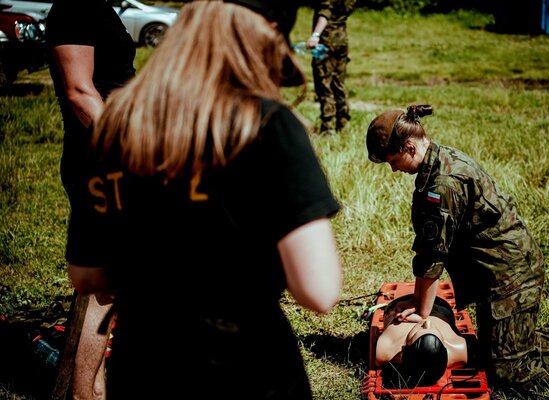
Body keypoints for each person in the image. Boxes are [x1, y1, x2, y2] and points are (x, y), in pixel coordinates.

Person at [63, 1, 342, 399]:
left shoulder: (117, 124)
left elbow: (87, 276)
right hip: (246, 371)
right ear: (265, 34)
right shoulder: (267, 124)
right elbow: (319, 289)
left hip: (142, 365)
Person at [365, 104, 549, 391]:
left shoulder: (442, 184)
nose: (392, 169)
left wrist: (422, 312)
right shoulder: (442, 159)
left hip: (509, 276)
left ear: (409, 147)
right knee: (498, 349)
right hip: (503, 268)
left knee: (509, 371)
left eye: (392, 160)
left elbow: (432, 256)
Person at [46, 0, 136, 398]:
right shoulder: (75, 8)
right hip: (100, 162)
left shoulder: (96, 6)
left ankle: (93, 386)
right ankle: (85, 393)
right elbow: (80, 93)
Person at [375, 294, 478, 386]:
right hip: (439, 307)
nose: (427, 322)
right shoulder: (459, 348)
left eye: (420, 329)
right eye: (434, 330)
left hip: (400, 307)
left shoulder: (385, 347)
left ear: (403, 348)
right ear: (445, 347)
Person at [305, 0, 356, 135]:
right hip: (341, 39)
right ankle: (343, 123)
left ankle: (328, 128)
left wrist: (315, 35)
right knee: (338, 83)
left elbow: (325, 12)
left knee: (324, 84)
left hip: (326, 41)